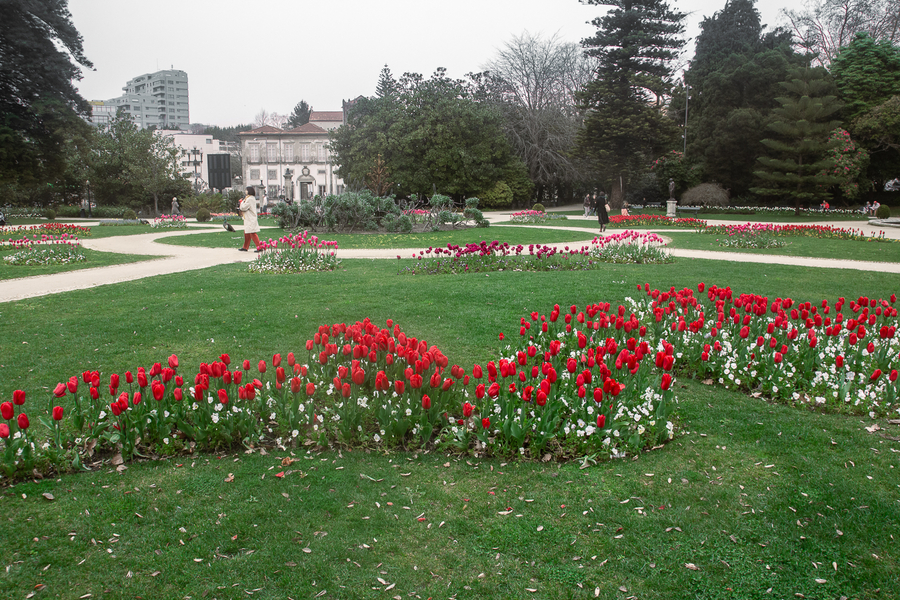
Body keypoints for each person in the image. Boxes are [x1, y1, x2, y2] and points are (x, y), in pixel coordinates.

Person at [239, 186, 261, 252]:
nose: (245, 191)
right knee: (247, 233)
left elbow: (243, 207)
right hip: (248, 218)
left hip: (250, 218)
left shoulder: (250, 199)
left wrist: (241, 202)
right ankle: (245, 247)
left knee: (252, 233)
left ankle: (259, 247)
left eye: (246, 190)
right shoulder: (248, 198)